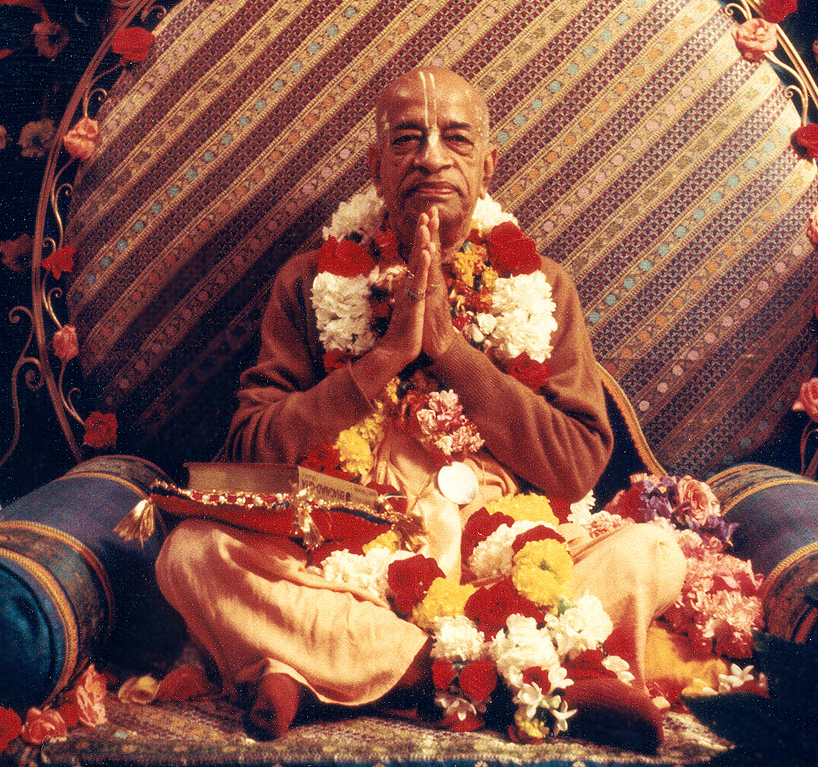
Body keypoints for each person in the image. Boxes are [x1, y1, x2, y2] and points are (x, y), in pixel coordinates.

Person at [156, 67, 685, 751]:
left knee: (654, 552)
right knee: (192, 556)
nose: (431, 155)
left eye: (454, 139)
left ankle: (330, 672)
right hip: (351, 562)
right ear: (376, 167)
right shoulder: (311, 281)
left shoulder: (544, 286)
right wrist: (381, 362)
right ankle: (508, 679)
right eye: (408, 139)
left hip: (516, 567)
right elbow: (249, 453)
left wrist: (451, 352)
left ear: (488, 165)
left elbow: (577, 466)